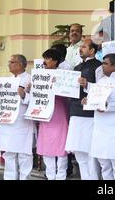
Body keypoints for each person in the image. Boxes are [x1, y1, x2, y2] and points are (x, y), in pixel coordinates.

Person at [65, 39, 103, 180]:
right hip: (75, 111)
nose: (80, 49)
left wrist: (87, 85)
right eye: (80, 47)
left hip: (89, 114)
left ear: (92, 50)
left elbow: (102, 88)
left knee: (89, 150)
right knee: (78, 150)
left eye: (84, 46)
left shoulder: (99, 67)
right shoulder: (77, 67)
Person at [0, 54, 34, 180]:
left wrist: (23, 96)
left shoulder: (30, 79)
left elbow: (37, 101)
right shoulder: (7, 81)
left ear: (21, 64)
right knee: (9, 154)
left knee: (24, 155)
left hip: (23, 122)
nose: (9, 64)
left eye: (12, 62)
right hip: (7, 123)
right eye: (9, 62)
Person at [36, 49, 69, 180]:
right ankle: (50, 176)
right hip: (45, 112)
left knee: (61, 146)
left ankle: (61, 176)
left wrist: (58, 84)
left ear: (55, 61)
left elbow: (68, 92)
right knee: (47, 145)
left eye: (48, 58)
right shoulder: (39, 75)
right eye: (44, 58)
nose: (44, 61)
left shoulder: (63, 75)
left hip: (59, 111)